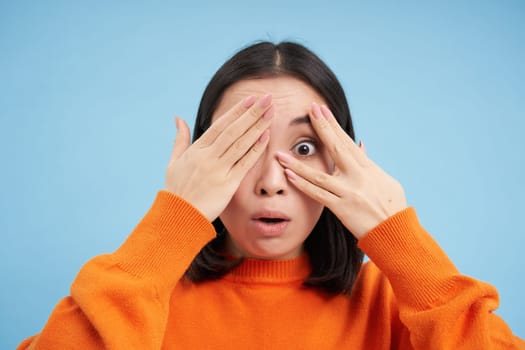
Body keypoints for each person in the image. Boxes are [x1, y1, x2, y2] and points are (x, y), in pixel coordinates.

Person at [18, 41, 524, 349]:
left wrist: (400, 239)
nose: (270, 181)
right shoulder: (140, 298)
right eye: (241, 146)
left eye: (304, 146)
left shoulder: (392, 306)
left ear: (343, 160)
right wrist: (172, 221)